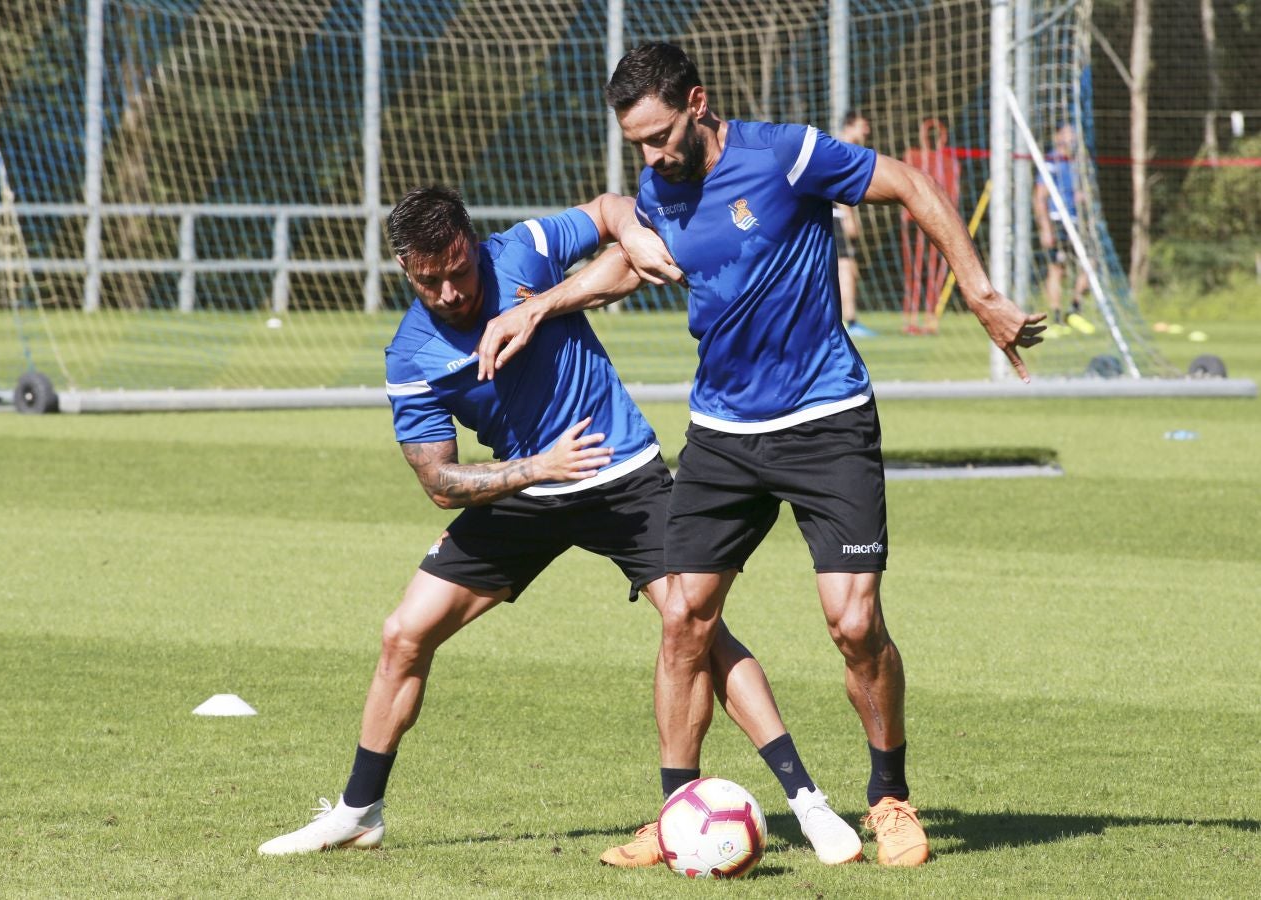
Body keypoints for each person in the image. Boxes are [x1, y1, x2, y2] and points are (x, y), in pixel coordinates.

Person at [477, 43, 1044, 868]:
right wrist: (543, 307)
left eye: (662, 135)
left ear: (698, 104)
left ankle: (888, 796)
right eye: (637, 143)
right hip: (722, 437)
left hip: (827, 421)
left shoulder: (786, 154)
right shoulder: (658, 189)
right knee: (683, 621)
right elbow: (629, 268)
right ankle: (676, 813)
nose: (653, 155)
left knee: (854, 626)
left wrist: (982, 293)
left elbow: (913, 187)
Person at [256, 185, 864, 867]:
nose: (452, 290)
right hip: (529, 483)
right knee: (404, 632)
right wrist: (538, 467)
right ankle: (357, 812)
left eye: (459, 269)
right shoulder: (411, 354)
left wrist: (631, 238)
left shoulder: (522, 251)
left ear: (473, 244)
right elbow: (440, 482)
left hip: (619, 472)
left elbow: (610, 208)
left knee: (694, 626)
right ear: (405, 270)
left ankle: (807, 802)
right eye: (431, 280)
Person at [1033, 123, 1093, 335]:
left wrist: (1082, 199)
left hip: (1075, 222)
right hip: (1057, 221)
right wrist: (1045, 228)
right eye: (1068, 134)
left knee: (1090, 262)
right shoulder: (1051, 162)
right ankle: (1056, 318)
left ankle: (1074, 309)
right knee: (1056, 269)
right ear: (1057, 136)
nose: (1072, 139)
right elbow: (1039, 197)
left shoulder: (1077, 163)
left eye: (1074, 135)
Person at [835, 110, 875, 338]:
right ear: (850, 126)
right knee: (846, 268)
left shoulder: (842, 148)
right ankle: (850, 322)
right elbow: (838, 188)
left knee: (846, 268)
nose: (866, 131)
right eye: (863, 125)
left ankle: (846, 320)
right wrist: (848, 218)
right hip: (835, 216)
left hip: (834, 215)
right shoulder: (843, 149)